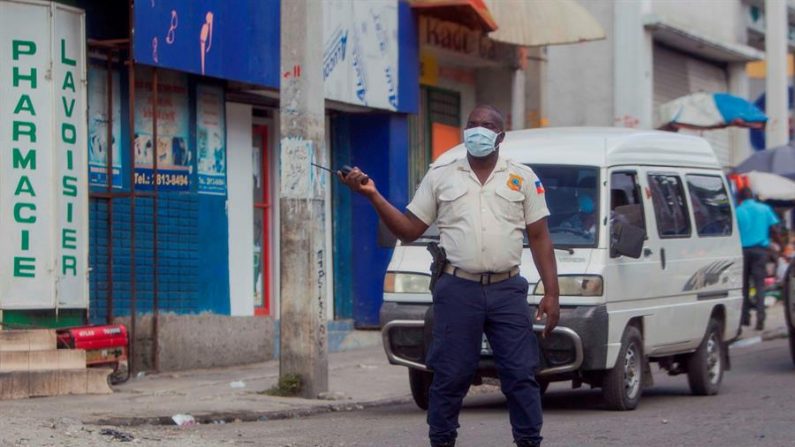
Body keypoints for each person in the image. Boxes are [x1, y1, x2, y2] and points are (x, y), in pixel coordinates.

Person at [339, 105, 560, 447]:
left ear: (500, 137)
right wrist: (373, 195)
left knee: (520, 375)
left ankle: (529, 442)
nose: (478, 130)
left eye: (487, 125)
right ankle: (442, 442)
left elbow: (540, 237)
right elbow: (409, 230)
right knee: (450, 375)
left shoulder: (523, 177)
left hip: (507, 291)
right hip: (458, 289)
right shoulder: (441, 175)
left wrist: (552, 293)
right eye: (472, 124)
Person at [736, 188, 780, 331]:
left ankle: (745, 318)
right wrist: (781, 245)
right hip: (760, 251)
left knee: (744, 286)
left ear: (741, 198)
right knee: (759, 285)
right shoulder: (764, 209)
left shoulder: (738, 210)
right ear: (753, 197)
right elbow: (774, 229)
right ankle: (760, 318)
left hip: (742, 252)